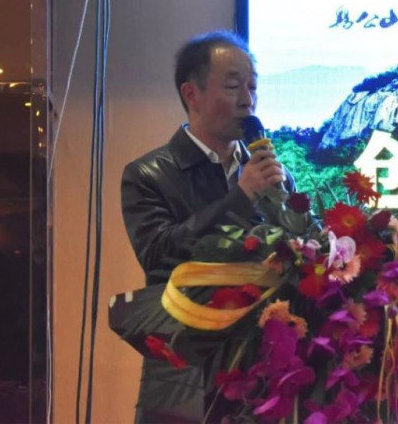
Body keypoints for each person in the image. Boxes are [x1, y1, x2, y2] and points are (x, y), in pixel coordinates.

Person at [121, 31, 295, 422]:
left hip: (262, 370)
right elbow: (159, 256)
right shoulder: (147, 174)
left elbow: (299, 252)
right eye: (233, 86)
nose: (247, 100)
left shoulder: (273, 174)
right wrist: (240, 198)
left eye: (252, 87)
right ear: (191, 94)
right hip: (185, 374)